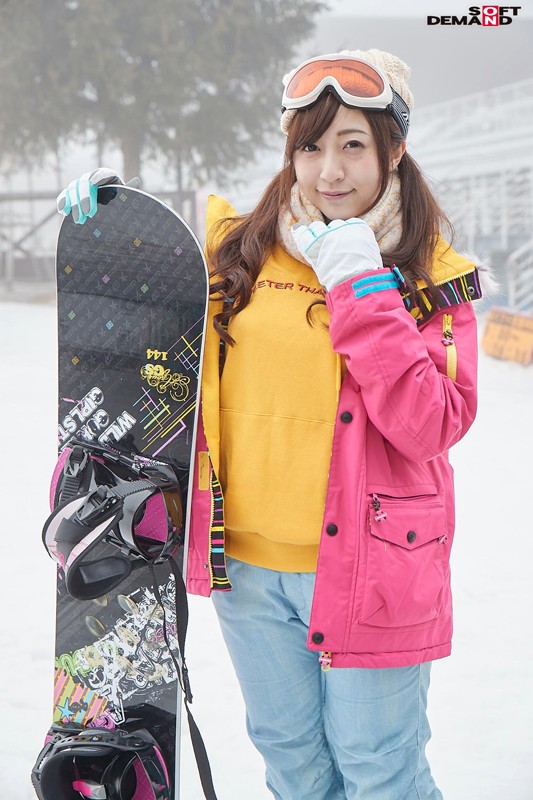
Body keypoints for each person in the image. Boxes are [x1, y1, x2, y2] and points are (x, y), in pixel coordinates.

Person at [59, 49, 485, 800]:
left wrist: (361, 284)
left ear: (393, 150)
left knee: (378, 769)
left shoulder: (431, 276)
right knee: (293, 765)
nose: (329, 170)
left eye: (352, 145)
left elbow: (429, 425)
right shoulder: (237, 254)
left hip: (373, 568)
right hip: (247, 573)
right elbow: (151, 353)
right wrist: (112, 230)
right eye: (310, 146)